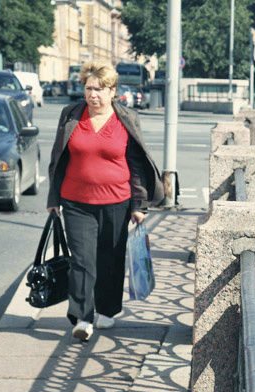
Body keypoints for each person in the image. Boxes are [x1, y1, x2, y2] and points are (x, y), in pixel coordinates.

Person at [47, 61, 163, 341]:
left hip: (117, 202)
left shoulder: (126, 119)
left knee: (110, 260)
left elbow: (136, 165)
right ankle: (82, 317)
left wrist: (138, 205)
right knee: (82, 261)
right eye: (88, 89)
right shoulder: (71, 115)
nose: (93, 95)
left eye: (99, 90)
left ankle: (107, 310)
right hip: (76, 202)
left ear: (113, 91)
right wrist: (53, 198)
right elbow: (58, 159)